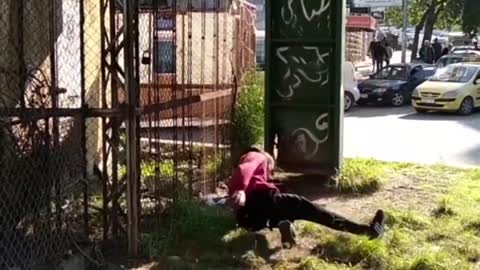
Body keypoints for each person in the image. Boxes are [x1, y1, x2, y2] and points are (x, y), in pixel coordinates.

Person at [227, 147, 386, 248]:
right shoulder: (256, 156)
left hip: (248, 218)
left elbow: (243, 180)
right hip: (262, 200)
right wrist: (241, 190)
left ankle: (281, 222)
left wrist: (241, 192)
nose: (270, 173)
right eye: (271, 168)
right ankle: (367, 231)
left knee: (278, 209)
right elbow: (245, 169)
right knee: (317, 213)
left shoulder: (238, 183)